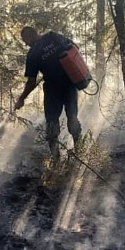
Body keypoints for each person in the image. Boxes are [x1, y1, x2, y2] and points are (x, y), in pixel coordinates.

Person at [14, 26, 82, 162]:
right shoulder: (53, 36)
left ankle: (59, 160)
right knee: (68, 121)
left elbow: (31, 82)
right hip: (67, 85)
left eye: (25, 40)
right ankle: (75, 155)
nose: (25, 43)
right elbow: (75, 48)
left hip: (55, 91)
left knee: (55, 126)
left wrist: (21, 99)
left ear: (30, 35)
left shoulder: (33, 54)